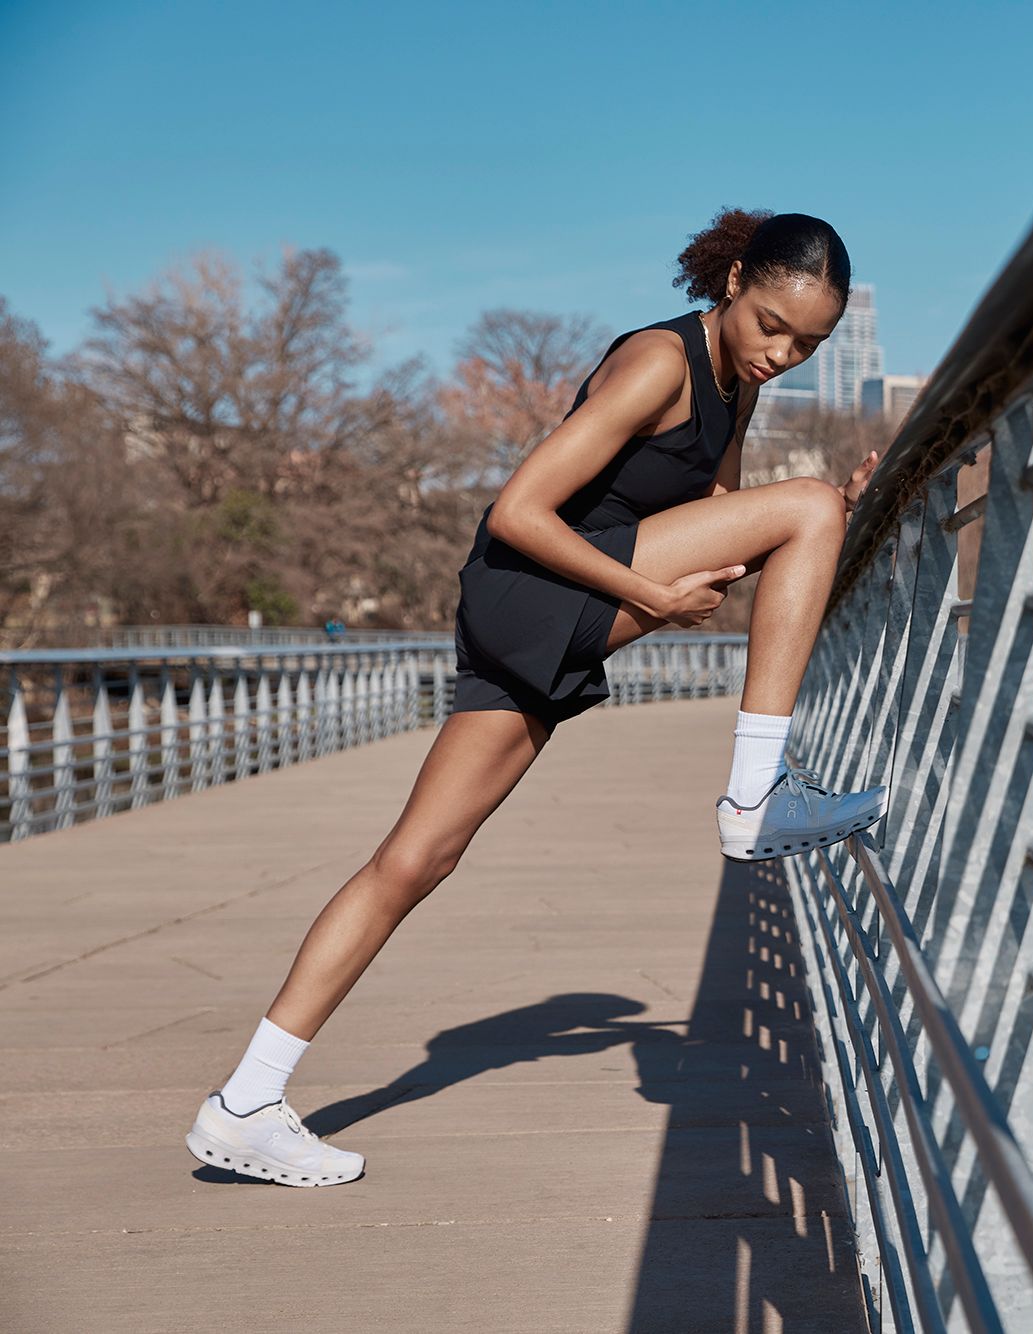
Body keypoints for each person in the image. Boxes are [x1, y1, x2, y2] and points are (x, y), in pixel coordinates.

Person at [185, 209, 887, 1187]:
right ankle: (752, 793)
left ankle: (246, 1101)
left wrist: (829, 515)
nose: (784, 352)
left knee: (415, 858)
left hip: (552, 601)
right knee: (802, 504)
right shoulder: (658, 361)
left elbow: (721, 524)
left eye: (808, 343)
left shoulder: (737, 389)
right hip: (535, 584)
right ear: (732, 283)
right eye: (772, 323)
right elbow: (516, 510)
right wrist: (654, 590)